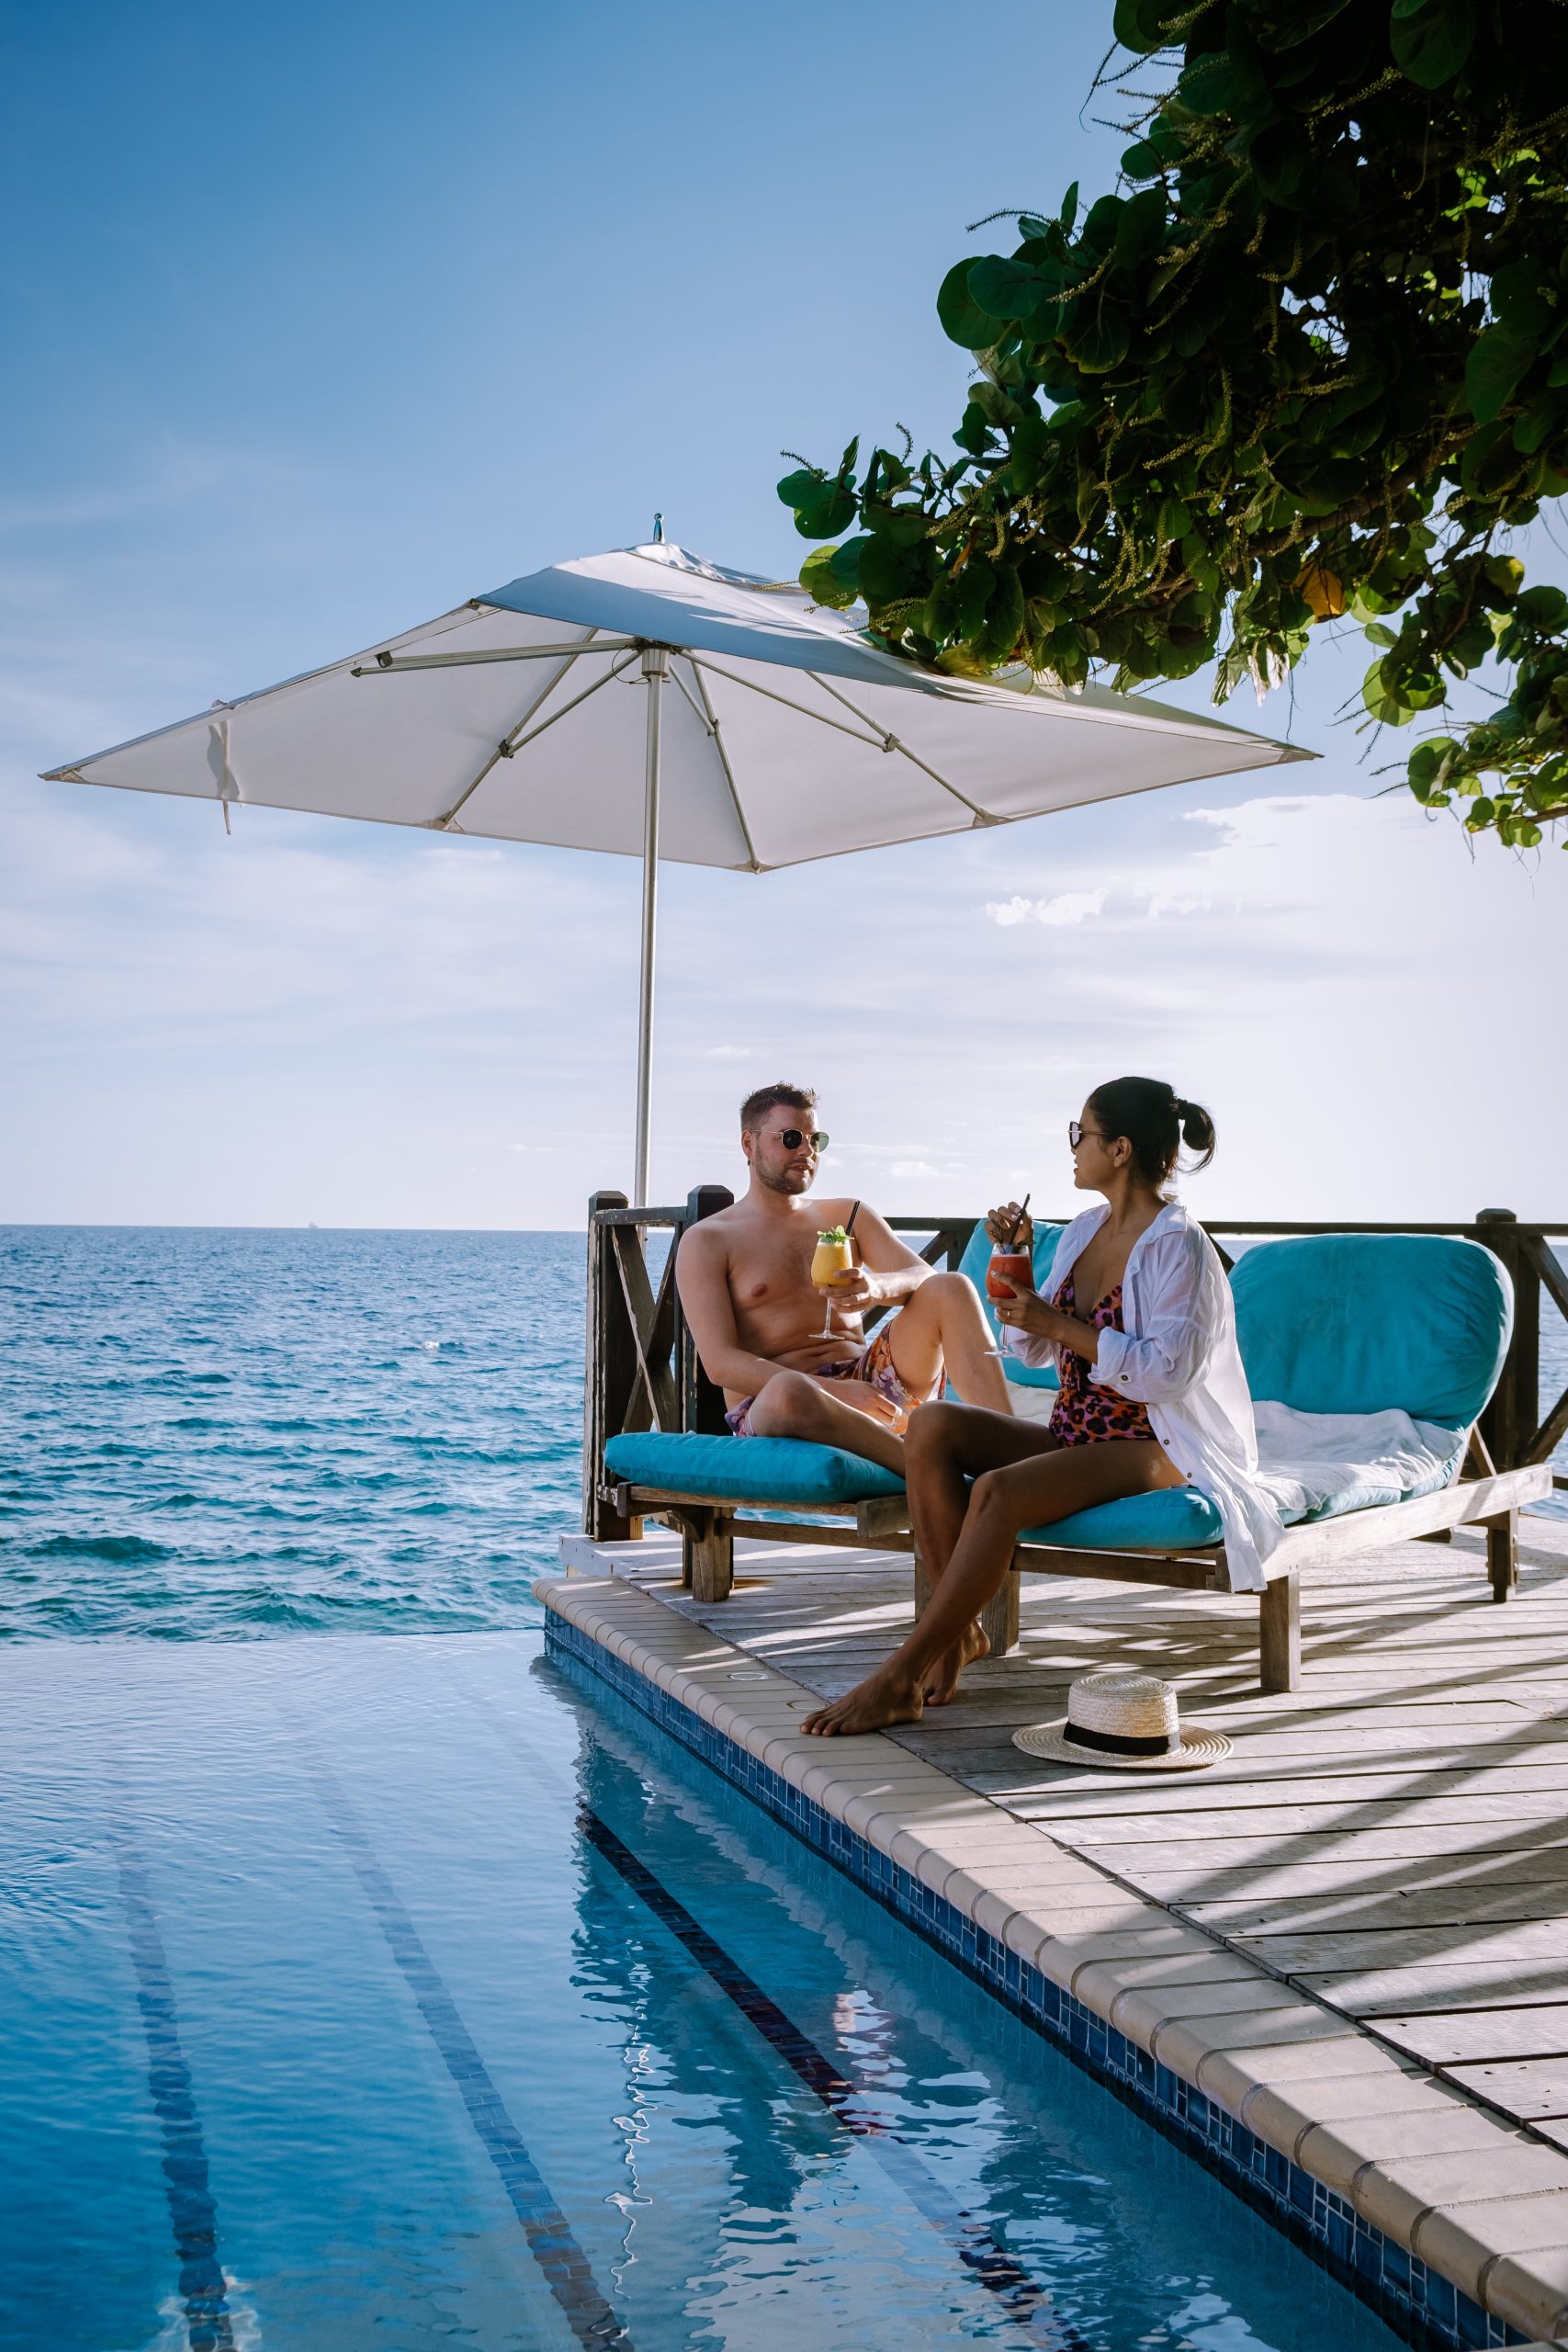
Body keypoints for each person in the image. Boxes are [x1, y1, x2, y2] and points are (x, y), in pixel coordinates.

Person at [803, 1076, 1284, 1736]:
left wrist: (1061, 1328)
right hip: (1078, 1431)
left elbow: (1167, 1375)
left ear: (1118, 1149)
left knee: (997, 1492)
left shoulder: (1180, 1246)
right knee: (933, 1424)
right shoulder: (1084, 1230)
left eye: (1079, 1134)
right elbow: (1027, 1346)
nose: (1071, 1148)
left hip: (1157, 1444)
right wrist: (1015, 1255)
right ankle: (957, 1635)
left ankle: (901, 1675)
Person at [675, 1083, 1011, 1476]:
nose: (807, 1152)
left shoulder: (846, 1215)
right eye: (790, 1138)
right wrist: (834, 1392)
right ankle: (925, 1471)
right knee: (789, 1391)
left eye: (816, 1139)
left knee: (950, 1287)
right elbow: (721, 1364)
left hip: (872, 1388)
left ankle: (1011, 1454)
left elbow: (922, 1274)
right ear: (749, 1144)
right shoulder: (709, 1240)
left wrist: (876, 1288)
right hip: (781, 1405)